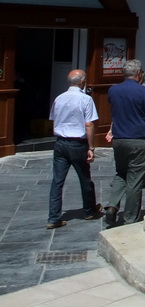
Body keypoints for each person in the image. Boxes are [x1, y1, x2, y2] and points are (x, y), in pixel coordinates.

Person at [104, 58, 145, 226]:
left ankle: (112, 205)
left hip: (119, 140)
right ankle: (130, 217)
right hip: (138, 140)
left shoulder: (113, 90)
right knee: (135, 179)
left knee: (120, 172)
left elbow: (116, 113)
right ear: (139, 74)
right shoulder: (143, 92)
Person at [47, 69, 102, 229]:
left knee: (57, 181)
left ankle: (53, 216)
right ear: (82, 82)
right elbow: (89, 124)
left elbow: (54, 119)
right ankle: (89, 210)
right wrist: (91, 147)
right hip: (77, 144)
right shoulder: (85, 99)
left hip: (60, 142)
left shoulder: (59, 98)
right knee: (85, 178)